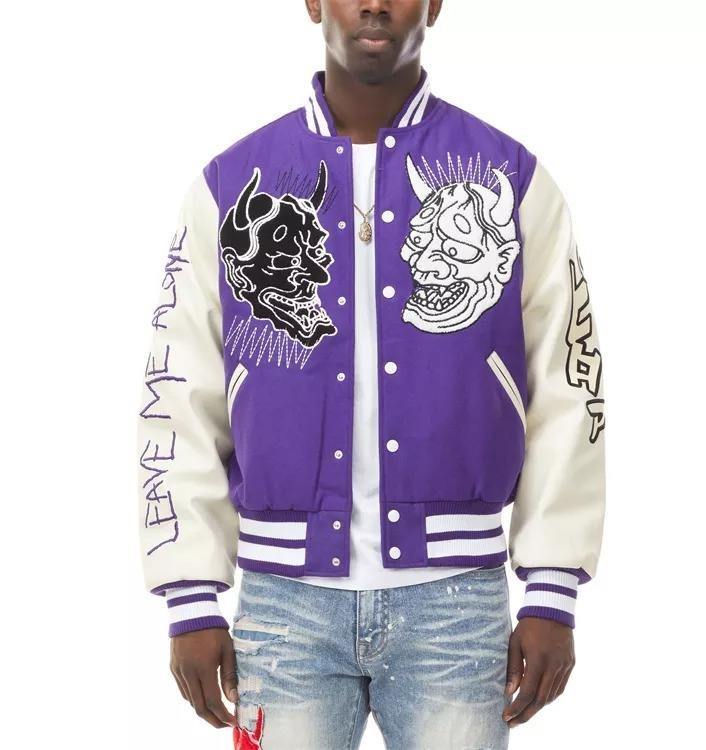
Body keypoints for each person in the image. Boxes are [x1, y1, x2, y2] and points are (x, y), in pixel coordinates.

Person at [136, 1, 606, 747]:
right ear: (313, 2)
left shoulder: (512, 178)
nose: (375, 3)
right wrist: (190, 593)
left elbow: (567, 384)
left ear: (435, 5)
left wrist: (552, 586)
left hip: (456, 606)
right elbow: (179, 390)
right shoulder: (230, 184)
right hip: (283, 609)